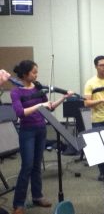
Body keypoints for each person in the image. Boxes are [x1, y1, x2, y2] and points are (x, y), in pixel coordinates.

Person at [10, 60, 73, 214]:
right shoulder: (16, 92)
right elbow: (20, 113)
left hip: (41, 129)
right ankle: (18, 203)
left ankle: (37, 196)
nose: (36, 75)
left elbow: (49, 107)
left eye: (36, 72)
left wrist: (64, 97)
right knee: (27, 166)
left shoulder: (38, 88)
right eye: (34, 72)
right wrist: (39, 106)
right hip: (27, 132)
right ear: (25, 74)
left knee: (37, 165)